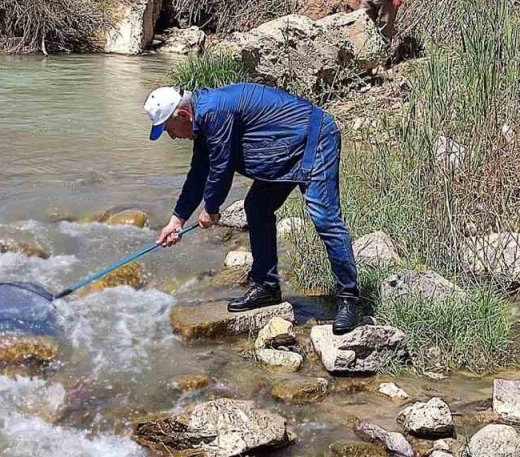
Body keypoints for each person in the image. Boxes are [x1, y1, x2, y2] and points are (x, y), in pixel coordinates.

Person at [144, 83, 363, 334]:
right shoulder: (202, 120)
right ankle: (267, 287)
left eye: (169, 130)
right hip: (286, 150)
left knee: (325, 220)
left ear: (184, 115)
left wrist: (211, 208)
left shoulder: (214, 112)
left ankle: (349, 299)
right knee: (257, 208)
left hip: (315, 139)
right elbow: (199, 173)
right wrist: (177, 220)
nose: (172, 137)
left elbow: (221, 167)